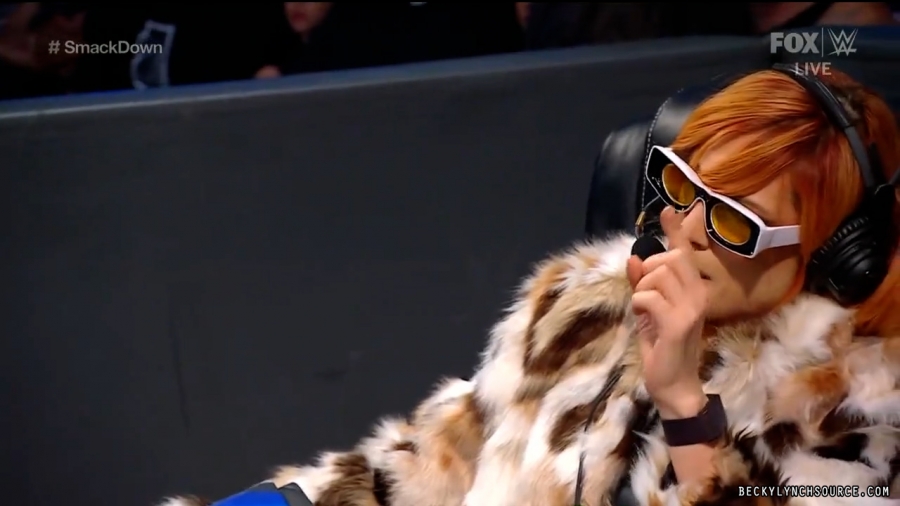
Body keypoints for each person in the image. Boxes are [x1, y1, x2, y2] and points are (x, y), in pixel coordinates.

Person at [159, 68, 900, 505]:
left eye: (735, 219)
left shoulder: (856, 416)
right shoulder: (591, 301)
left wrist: (684, 405)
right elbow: (430, 468)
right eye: (682, 186)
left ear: (837, 258)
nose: (688, 227)